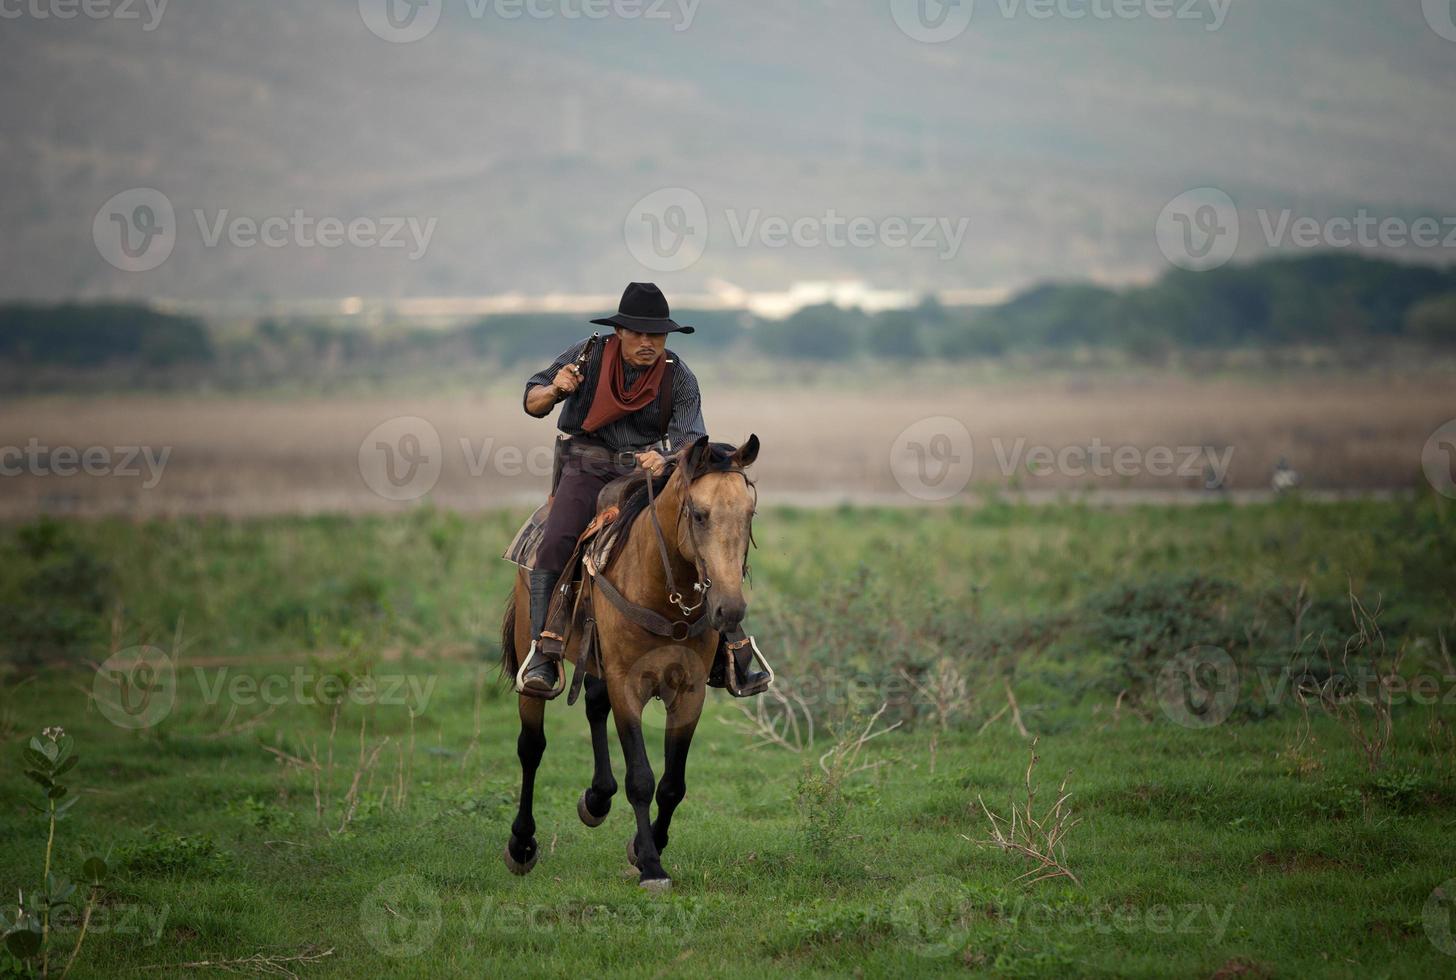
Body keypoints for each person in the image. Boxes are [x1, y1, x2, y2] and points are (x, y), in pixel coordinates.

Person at [515, 282, 768, 698]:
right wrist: (557, 389)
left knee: (703, 532)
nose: (649, 343)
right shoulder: (587, 355)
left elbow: (691, 440)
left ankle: (732, 650)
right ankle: (543, 652)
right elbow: (532, 402)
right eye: (639, 333)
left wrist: (667, 460)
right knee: (558, 537)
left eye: (657, 335)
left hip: (650, 471)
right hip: (588, 465)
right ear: (620, 332)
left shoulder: (678, 375)